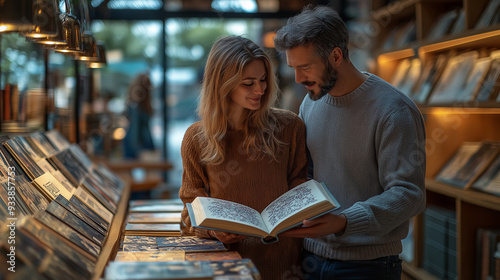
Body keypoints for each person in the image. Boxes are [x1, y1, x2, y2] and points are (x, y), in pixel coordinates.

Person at [273, 5, 427, 279]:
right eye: (293, 68)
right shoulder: (310, 103)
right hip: (309, 257)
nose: (298, 79)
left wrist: (344, 222)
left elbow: (409, 194)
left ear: (335, 56)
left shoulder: (393, 110)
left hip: (367, 265)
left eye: (305, 67)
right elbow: (309, 175)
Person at [179, 35, 308, 279]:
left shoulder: (290, 127)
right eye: (248, 83)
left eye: (263, 80)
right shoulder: (196, 138)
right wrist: (213, 231)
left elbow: (300, 186)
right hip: (225, 266)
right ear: (222, 84)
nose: (260, 90)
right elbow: (189, 212)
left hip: (283, 263)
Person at [122, 73, 155, 159]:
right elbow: (135, 129)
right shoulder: (136, 106)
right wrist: (139, 150)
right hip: (137, 144)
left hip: (137, 143)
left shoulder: (138, 104)